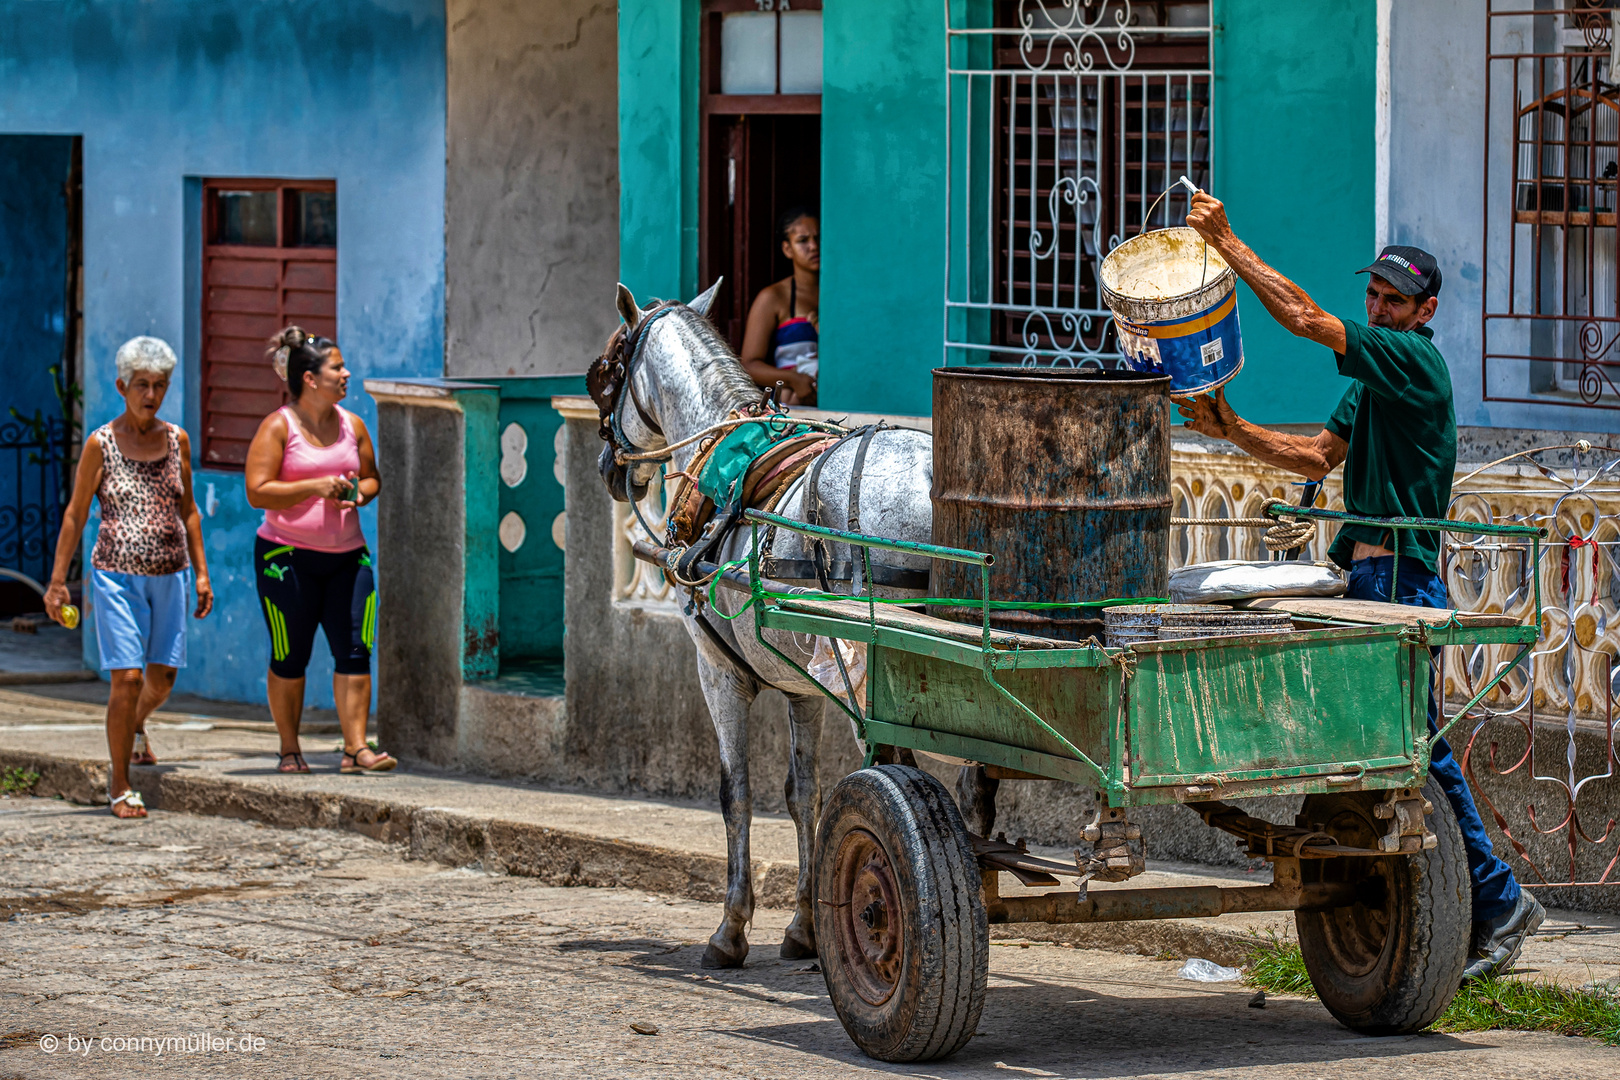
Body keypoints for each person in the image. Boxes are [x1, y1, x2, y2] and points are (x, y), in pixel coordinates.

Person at [1175, 192, 1544, 982]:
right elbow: (1315, 458)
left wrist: (1228, 242)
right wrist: (1231, 429)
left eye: (1393, 299)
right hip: (1366, 575)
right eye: (1372, 294)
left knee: (1422, 752)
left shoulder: (1412, 362)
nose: (1377, 306)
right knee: (1397, 751)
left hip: (1402, 580)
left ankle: (1500, 900)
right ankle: (1452, 900)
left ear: (1424, 311)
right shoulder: (1374, 376)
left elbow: (1307, 320)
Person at [43, 336, 214, 819]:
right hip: (116, 576)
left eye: (159, 385)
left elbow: (190, 511)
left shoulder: (176, 439)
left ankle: (134, 726)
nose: (151, 395)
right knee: (128, 677)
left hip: (170, 573)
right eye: (141, 385)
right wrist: (57, 582)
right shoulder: (101, 444)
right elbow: (76, 515)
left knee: (162, 679)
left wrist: (201, 574)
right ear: (122, 386)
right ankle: (120, 784)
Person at [244, 326, 394, 775]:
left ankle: (355, 749)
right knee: (291, 655)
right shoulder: (277, 427)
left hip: (348, 557)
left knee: (355, 649)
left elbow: (372, 478)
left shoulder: (354, 426)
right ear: (310, 378)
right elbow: (257, 491)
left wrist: (359, 494)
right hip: (285, 558)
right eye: (337, 367)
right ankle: (290, 749)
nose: (346, 374)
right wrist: (314, 486)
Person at [739, 206, 819, 406]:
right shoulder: (773, 298)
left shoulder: (842, 294)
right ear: (787, 249)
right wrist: (794, 379)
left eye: (818, 238)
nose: (814, 246)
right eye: (803, 240)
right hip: (794, 410)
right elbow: (749, 365)